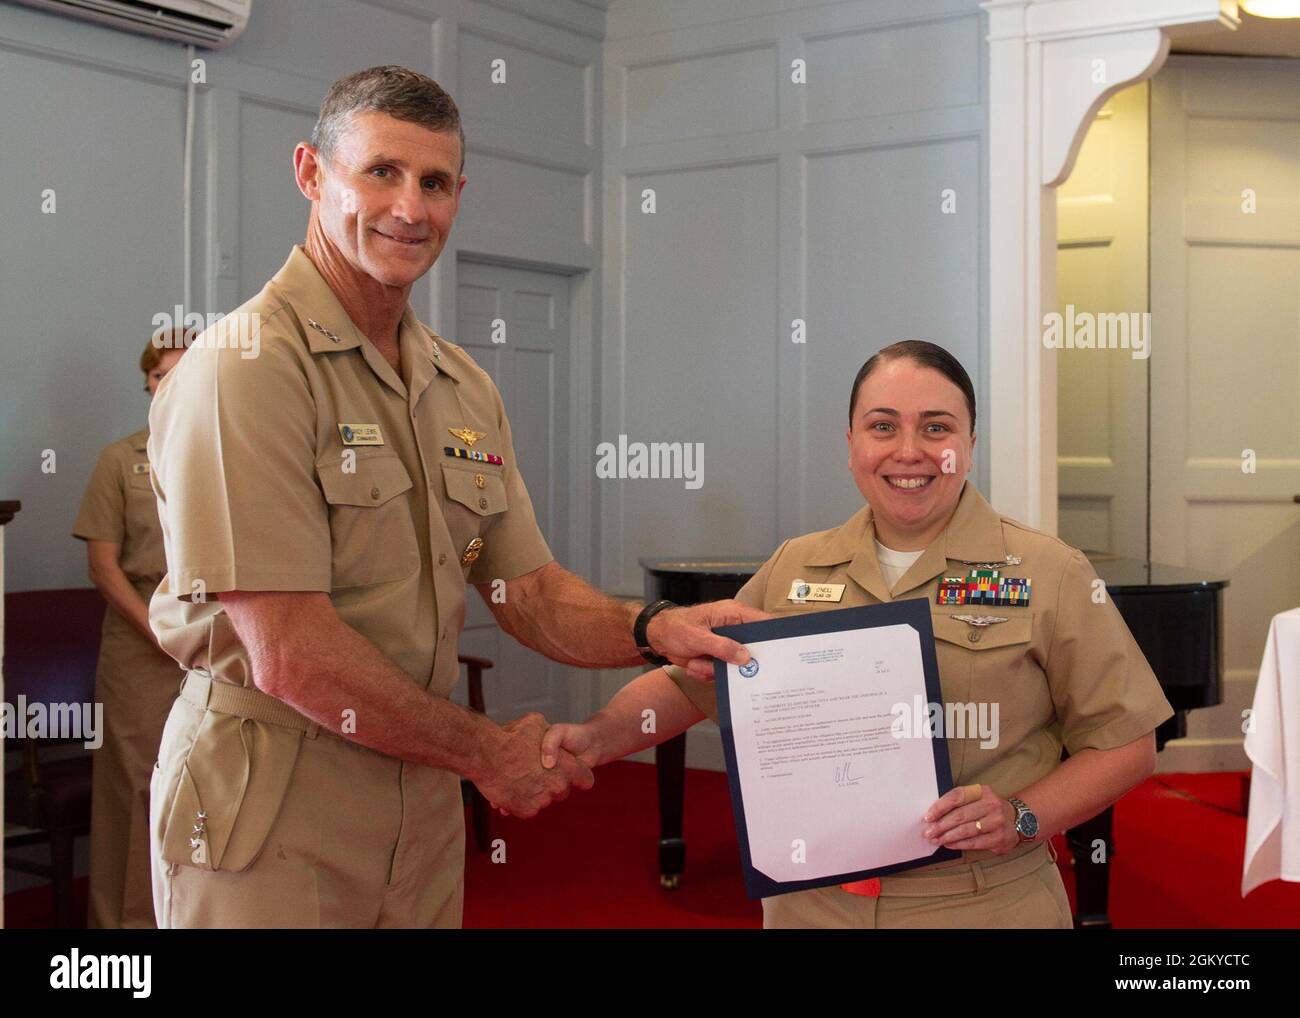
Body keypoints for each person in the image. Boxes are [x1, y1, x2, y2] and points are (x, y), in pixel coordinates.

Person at [145, 65, 762, 929]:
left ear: (458, 195)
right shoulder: (243, 369)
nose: (410, 207)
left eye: (434, 183)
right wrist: (487, 752)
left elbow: (529, 589)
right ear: (311, 174)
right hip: (275, 794)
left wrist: (651, 630)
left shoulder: (459, 383)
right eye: (381, 172)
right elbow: (288, 651)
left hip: (423, 797)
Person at [542, 340, 1173, 929]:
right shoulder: (795, 565)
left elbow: (1127, 743)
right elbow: (690, 685)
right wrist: (597, 737)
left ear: (969, 445)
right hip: (810, 904)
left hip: (980, 901)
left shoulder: (1049, 571)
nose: (908, 450)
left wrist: (1023, 816)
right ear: (851, 445)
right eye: (882, 426)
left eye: (936, 427)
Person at [71, 333, 186, 928]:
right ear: (147, 383)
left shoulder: (229, 455)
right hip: (142, 642)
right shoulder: (121, 460)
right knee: (137, 791)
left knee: (216, 789)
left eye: (184, 373)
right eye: (161, 375)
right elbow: (102, 567)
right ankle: (124, 932)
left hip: (218, 642)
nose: (170, 384)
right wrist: (164, 634)